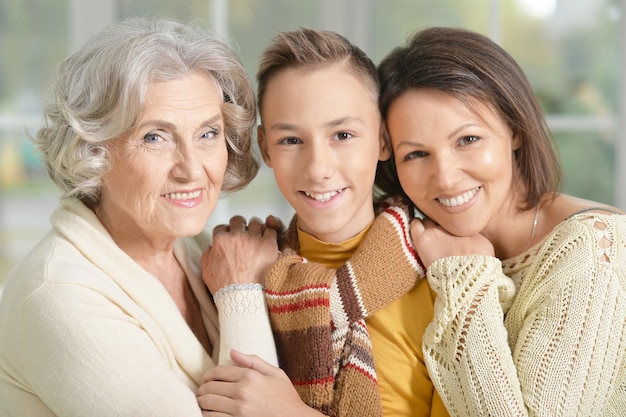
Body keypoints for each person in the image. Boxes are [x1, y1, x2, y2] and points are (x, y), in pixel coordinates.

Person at [0, 17, 279, 417]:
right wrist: (241, 297)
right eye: (155, 137)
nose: (191, 169)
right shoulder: (57, 294)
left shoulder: (202, 250)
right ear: (93, 148)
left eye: (208, 133)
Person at [374, 26, 626, 416]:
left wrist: (463, 275)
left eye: (467, 140)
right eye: (416, 154)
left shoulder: (591, 250)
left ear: (514, 130)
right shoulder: (418, 245)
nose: (445, 177)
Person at [198, 28, 449, 417]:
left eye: (343, 135)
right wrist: (239, 289)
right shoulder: (242, 273)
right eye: (291, 141)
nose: (318, 169)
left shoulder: (442, 274)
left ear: (383, 139)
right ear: (265, 148)